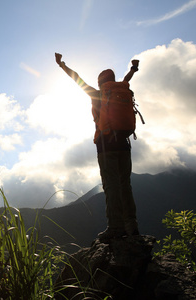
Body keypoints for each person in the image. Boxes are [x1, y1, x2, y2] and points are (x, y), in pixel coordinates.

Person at [55, 53, 140, 240]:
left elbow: (77, 79)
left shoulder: (97, 94)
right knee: (126, 185)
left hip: (106, 146)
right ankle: (131, 225)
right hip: (124, 144)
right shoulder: (122, 90)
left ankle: (115, 227)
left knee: (111, 186)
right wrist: (133, 69)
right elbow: (126, 79)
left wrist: (62, 65)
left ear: (101, 82)